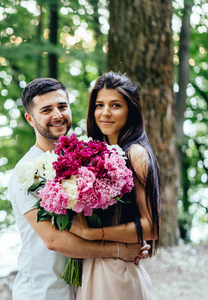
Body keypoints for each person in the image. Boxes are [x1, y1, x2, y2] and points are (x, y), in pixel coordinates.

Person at [8, 77, 150, 300]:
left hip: (84, 288)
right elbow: (54, 240)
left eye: (62, 106)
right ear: (30, 118)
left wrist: (133, 238)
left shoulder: (83, 157)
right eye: (46, 110)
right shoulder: (26, 172)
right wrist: (120, 250)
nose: (57, 115)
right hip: (43, 291)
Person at [69, 71, 160, 300]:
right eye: (99, 105)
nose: (105, 113)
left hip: (117, 270)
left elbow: (151, 228)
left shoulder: (136, 154)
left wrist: (91, 234)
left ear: (131, 110)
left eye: (116, 105)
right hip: (91, 266)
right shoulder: (93, 154)